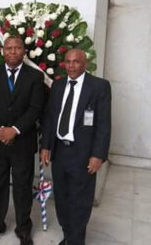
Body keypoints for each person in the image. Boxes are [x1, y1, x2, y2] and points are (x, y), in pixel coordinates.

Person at [0, 35, 46, 245]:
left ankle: (23, 226)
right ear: (3, 51)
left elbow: (36, 108)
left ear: (23, 51)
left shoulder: (35, 76)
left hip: (23, 143)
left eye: (17, 48)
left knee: (22, 186)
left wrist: (14, 130)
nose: (13, 52)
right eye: (9, 48)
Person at [40, 49, 111, 245]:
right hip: (60, 152)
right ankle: (69, 234)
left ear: (85, 63)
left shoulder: (99, 87)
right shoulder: (58, 85)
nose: (71, 66)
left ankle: (76, 240)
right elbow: (50, 118)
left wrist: (98, 155)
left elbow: (104, 124)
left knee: (80, 200)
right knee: (62, 198)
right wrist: (45, 146)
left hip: (84, 153)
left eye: (76, 62)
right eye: (68, 62)